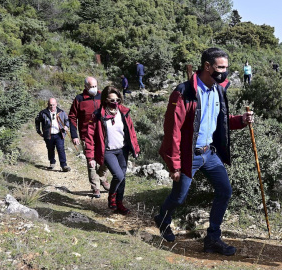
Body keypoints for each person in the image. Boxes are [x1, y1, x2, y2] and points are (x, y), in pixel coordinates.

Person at [155, 47, 254, 256]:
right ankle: (163, 219)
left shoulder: (218, 89)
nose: (224, 72)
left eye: (226, 67)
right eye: (220, 67)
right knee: (179, 197)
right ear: (207, 66)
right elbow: (172, 131)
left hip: (210, 153)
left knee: (225, 191)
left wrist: (241, 121)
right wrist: (174, 165)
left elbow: (220, 120)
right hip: (188, 156)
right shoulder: (184, 92)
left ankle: (213, 238)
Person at [85, 86, 140, 215]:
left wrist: (135, 148)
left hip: (122, 150)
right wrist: (90, 157)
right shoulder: (98, 116)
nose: (115, 102)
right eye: (112, 100)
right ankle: (112, 197)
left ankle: (119, 203)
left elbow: (131, 132)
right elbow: (90, 137)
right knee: (118, 175)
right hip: (108, 151)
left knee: (123, 178)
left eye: (117, 100)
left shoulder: (123, 113)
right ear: (105, 100)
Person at [69, 77, 109, 198]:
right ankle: (95, 187)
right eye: (91, 87)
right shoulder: (79, 99)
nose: (94, 89)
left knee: (105, 157)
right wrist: (74, 135)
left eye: (95, 86)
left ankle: (102, 178)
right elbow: (72, 117)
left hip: (103, 133)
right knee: (91, 161)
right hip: (86, 134)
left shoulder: (102, 96)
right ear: (86, 87)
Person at [35, 98, 71, 172]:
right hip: (48, 135)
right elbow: (37, 120)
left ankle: (64, 165)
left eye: (53, 105)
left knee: (61, 149)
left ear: (56, 104)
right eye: (50, 105)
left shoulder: (61, 112)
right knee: (50, 149)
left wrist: (66, 126)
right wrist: (39, 131)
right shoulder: (43, 113)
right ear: (48, 105)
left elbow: (67, 120)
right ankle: (52, 162)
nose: (52, 107)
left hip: (59, 134)